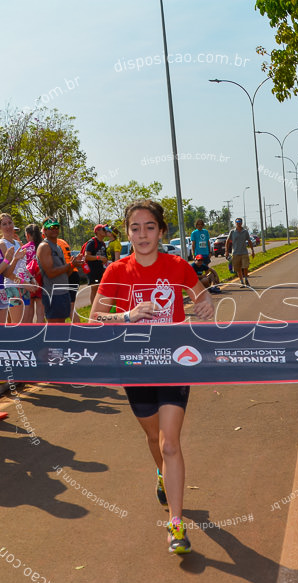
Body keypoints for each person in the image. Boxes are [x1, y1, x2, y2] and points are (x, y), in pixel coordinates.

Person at [90, 199, 213, 555]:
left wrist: (204, 306)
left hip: (175, 361)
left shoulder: (177, 266)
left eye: (149, 227)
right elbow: (93, 318)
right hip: (134, 365)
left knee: (170, 442)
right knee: (154, 436)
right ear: (127, 233)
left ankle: (176, 525)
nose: (142, 234)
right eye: (135, 228)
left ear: (161, 231)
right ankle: (161, 473)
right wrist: (128, 316)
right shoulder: (116, 271)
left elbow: (202, 299)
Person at [37, 219, 83, 322]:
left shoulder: (58, 246)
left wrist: (72, 265)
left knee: (61, 326)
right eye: (51, 227)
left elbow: (66, 274)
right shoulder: (44, 246)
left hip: (63, 292)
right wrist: (70, 265)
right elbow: (50, 273)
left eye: (56, 227)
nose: (54, 229)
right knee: (54, 328)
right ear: (44, 230)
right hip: (52, 294)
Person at [0, 213, 38, 325]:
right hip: (13, 287)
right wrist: (24, 283)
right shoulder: (1, 244)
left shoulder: (17, 243)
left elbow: (22, 266)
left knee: (27, 323)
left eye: (10, 223)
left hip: (24, 286)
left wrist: (31, 278)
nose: (8, 226)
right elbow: (6, 273)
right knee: (18, 325)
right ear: (0, 228)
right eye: (4, 224)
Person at [22, 224, 45, 323]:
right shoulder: (43, 246)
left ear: (27, 235)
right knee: (40, 311)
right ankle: (40, 332)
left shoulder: (23, 249)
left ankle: (30, 333)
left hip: (28, 281)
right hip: (41, 280)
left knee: (29, 310)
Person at [83, 224, 110, 302]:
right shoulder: (92, 242)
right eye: (103, 229)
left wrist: (104, 260)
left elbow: (103, 255)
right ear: (97, 231)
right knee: (95, 289)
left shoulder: (103, 243)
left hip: (100, 269)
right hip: (93, 270)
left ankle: (99, 306)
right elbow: (87, 256)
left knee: (101, 289)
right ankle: (93, 310)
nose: (105, 231)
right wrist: (98, 258)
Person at [225, 217, 255, 287]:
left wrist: (252, 250)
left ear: (241, 223)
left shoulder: (245, 232)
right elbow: (227, 241)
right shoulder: (232, 232)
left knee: (245, 266)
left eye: (240, 222)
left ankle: (246, 279)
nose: (238, 224)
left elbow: (249, 241)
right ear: (235, 223)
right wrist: (226, 251)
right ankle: (242, 282)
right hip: (235, 253)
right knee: (238, 268)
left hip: (244, 252)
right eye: (237, 223)